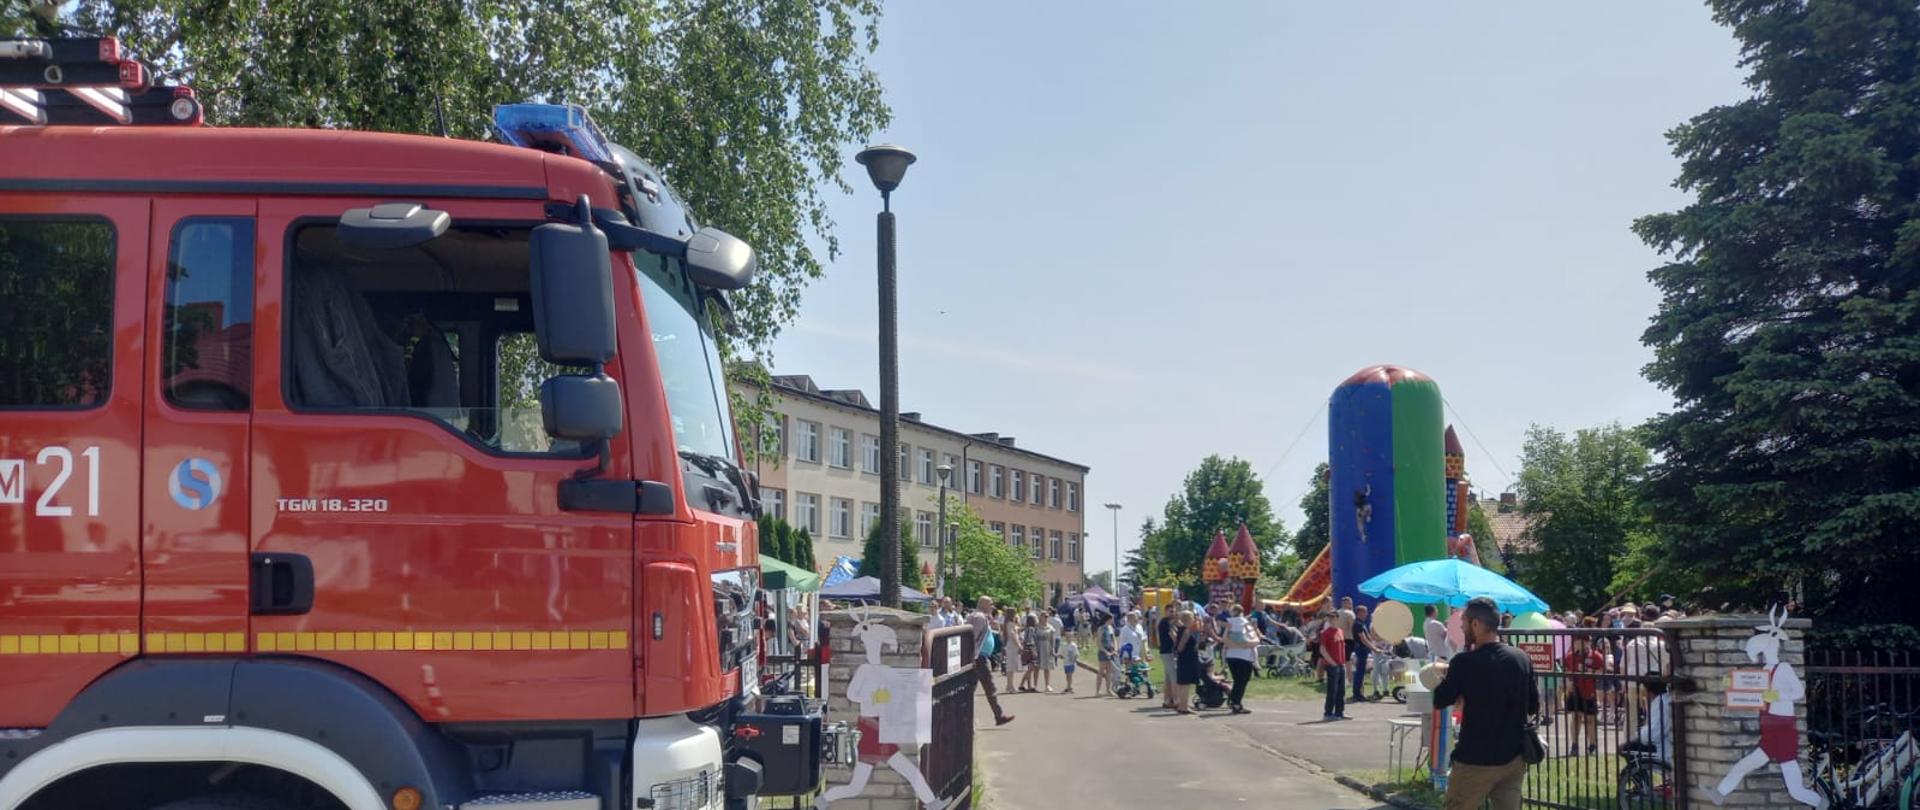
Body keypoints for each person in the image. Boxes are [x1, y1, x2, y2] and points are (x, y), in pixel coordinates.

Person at [1431, 596, 1539, 810]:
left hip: (1475, 759)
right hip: (1513, 757)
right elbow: (1533, 706)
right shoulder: (1521, 658)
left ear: (1476, 624)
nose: (1461, 627)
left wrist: (1443, 674)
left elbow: (1440, 699)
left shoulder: (1464, 662)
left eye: (1463, 621)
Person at [965, 597, 1014, 727]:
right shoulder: (979, 617)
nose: (992, 607)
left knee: (971, 689)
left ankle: (966, 718)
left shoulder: (980, 617)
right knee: (989, 687)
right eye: (990, 604)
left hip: (978, 657)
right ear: (984, 604)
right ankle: (999, 715)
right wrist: (973, 655)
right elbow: (973, 637)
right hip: (979, 657)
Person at [1562, 625, 1605, 756]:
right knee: (1575, 717)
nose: (1575, 643)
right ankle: (1574, 745)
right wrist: (1568, 682)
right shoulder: (1570, 656)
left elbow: (1601, 671)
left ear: (1586, 642)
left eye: (1578, 640)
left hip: (1589, 691)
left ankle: (1592, 745)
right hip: (1575, 690)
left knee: (1590, 719)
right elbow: (1567, 670)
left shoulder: (1596, 656)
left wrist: (1587, 670)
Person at [1222, 603, 1259, 714]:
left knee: (1237, 680)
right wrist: (1245, 644)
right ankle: (1236, 703)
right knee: (1242, 681)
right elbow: (1255, 640)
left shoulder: (1229, 624)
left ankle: (1234, 701)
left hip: (1231, 656)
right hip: (1244, 657)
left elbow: (1225, 640)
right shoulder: (1246, 624)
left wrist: (1235, 645)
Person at [1350, 603, 1383, 700]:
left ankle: (1359, 693)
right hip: (1360, 649)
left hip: (1363, 649)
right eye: (1365, 612)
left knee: (1361, 672)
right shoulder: (1358, 624)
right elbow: (1363, 639)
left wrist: (1376, 644)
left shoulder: (1362, 623)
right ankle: (1357, 694)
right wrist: (1374, 649)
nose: (1367, 614)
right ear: (1359, 612)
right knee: (1359, 672)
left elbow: (1368, 637)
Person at [1319, 611, 1347, 720]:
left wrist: (1342, 663)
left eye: (1333, 617)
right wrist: (1332, 663)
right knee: (1332, 690)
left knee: (1341, 690)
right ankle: (1328, 713)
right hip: (1332, 665)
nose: (1331, 620)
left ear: (1337, 619)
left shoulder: (1340, 631)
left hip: (1341, 664)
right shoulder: (1325, 633)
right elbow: (1322, 650)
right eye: (1329, 617)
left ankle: (1339, 712)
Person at [1172, 611, 1201, 715]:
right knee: (1185, 684)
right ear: (1188, 619)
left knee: (1182, 683)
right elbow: (1180, 647)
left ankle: (1182, 705)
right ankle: (1184, 707)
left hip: (1183, 658)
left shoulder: (1180, 629)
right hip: (1187, 658)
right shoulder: (1186, 631)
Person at [1155, 607, 1178, 709]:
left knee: (1168, 677)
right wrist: (1179, 642)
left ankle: (1167, 700)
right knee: (1173, 676)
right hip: (1168, 651)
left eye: (1174, 611)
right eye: (1171, 611)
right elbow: (1172, 635)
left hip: (1166, 651)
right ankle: (1175, 700)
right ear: (1166, 611)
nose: (1173, 613)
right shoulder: (1165, 622)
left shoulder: (1168, 622)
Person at [1036, 610, 1060, 693]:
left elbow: (1052, 640)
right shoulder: (1036, 627)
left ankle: (1047, 685)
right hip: (1038, 647)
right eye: (1044, 616)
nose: (1046, 618)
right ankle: (1035, 685)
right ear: (1040, 617)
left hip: (1047, 647)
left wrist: (1052, 649)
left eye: (1047, 616)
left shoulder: (1050, 627)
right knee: (1036, 667)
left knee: (1047, 667)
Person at [1002, 611, 1025, 694]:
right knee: (1011, 667)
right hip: (1012, 646)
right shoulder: (1010, 624)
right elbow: (1013, 635)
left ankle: (1009, 685)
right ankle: (1010, 686)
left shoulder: (1010, 623)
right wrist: (1019, 645)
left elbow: (1018, 628)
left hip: (1012, 645)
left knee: (1011, 666)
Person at [1095, 614, 1117, 696]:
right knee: (1101, 671)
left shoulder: (1111, 628)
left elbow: (1114, 639)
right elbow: (1098, 642)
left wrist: (1115, 649)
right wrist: (1104, 651)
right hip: (1103, 651)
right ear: (1108, 619)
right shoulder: (1101, 628)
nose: (1113, 621)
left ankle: (1109, 690)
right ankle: (1097, 691)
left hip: (1111, 650)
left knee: (1109, 671)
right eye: (1112, 619)